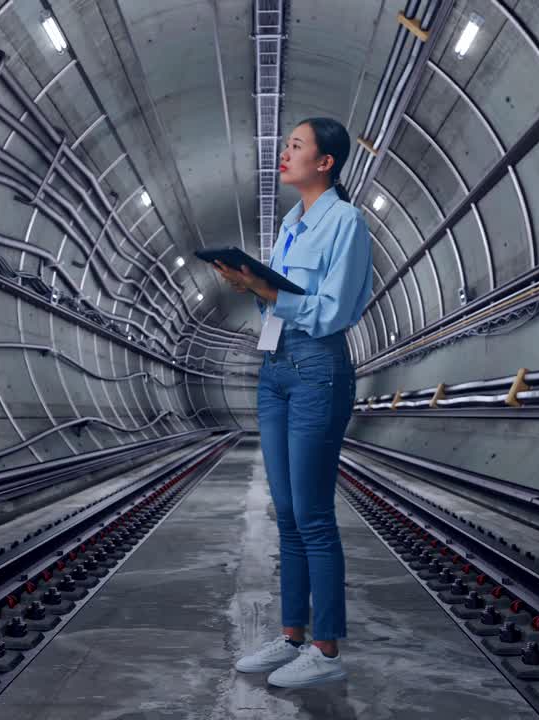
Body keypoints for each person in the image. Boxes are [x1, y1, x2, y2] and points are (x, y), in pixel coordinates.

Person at [213, 117, 373, 688]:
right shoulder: (290, 224)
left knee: (313, 515)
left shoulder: (345, 222)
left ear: (325, 162)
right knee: (287, 515)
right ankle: (292, 638)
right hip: (275, 368)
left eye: (297, 146)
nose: (286, 153)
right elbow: (275, 306)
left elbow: (334, 311)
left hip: (316, 370)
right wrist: (254, 288)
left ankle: (327, 653)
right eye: (286, 145)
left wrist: (266, 291)